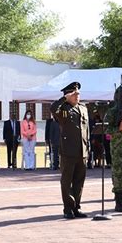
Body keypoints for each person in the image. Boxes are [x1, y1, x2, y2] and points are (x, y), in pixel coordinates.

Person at [51, 82, 89, 219]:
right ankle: (68, 208)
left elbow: (86, 131)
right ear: (68, 95)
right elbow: (52, 109)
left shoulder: (83, 108)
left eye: (78, 93)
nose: (78, 96)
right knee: (67, 181)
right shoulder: (62, 109)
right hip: (68, 151)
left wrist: (87, 148)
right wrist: (64, 99)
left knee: (79, 181)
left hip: (82, 151)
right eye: (75, 94)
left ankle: (76, 207)